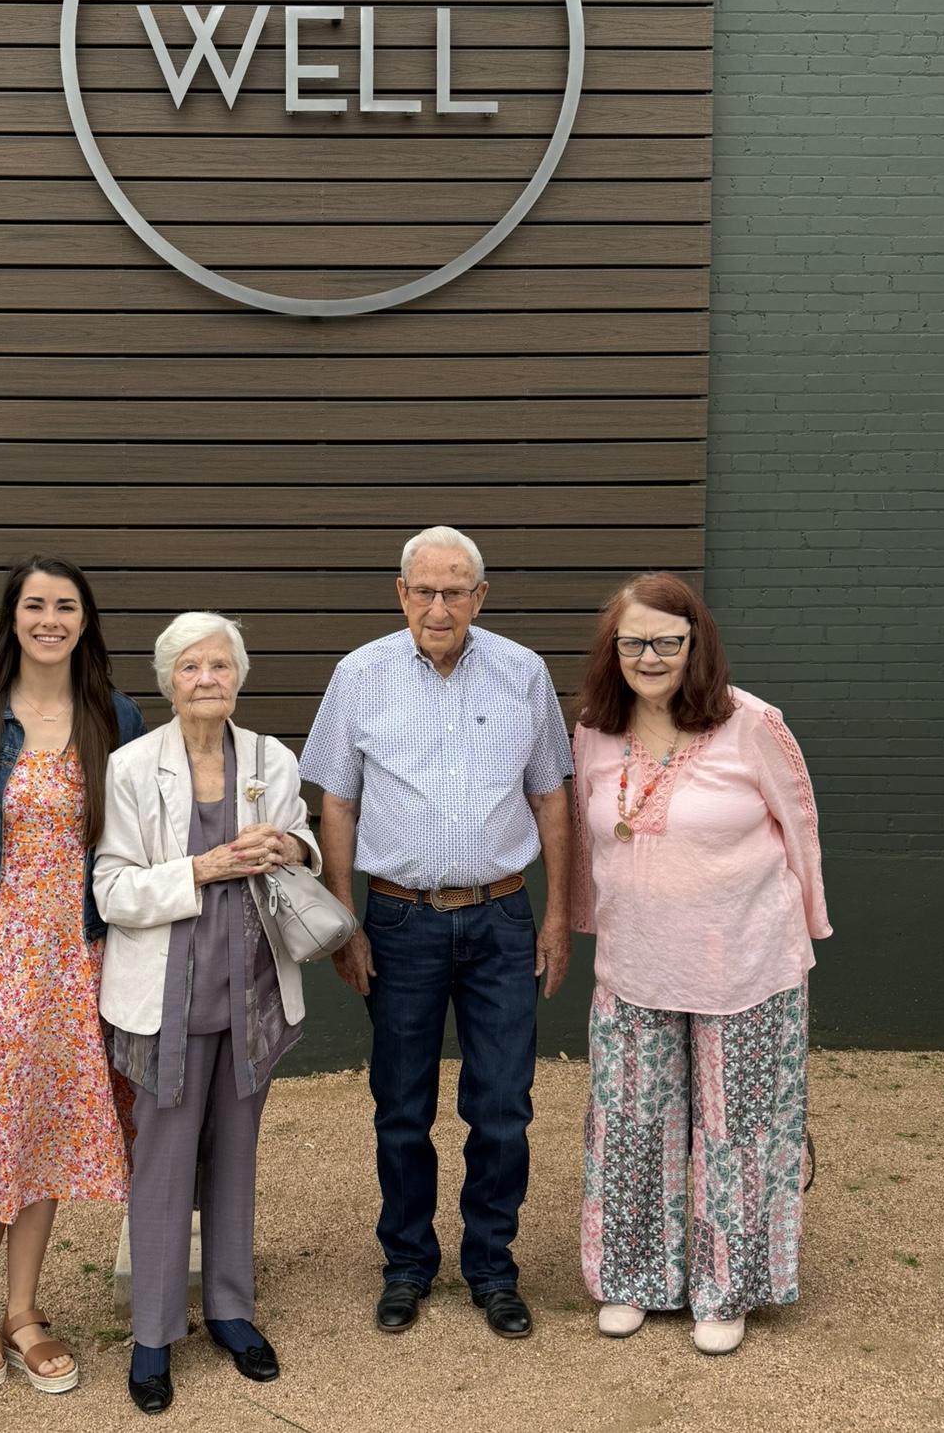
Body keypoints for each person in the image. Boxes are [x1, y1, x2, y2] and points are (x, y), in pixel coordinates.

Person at [299, 526, 573, 1340]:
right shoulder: (360, 674)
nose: (439, 606)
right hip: (398, 920)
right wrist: (344, 922)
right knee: (401, 1105)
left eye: (456, 591)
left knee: (503, 1105)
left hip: (501, 917)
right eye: (424, 590)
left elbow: (551, 797)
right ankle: (408, 1265)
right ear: (401, 593)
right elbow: (337, 803)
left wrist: (559, 916)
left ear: (480, 597)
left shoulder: (523, 672)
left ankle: (492, 1268)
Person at [569, 572, 832, 1355]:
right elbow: (585, 839)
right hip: (634, 966)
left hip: (744, 965)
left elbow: (801, 827)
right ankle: (634, 1279)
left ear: (696, 644)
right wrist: (587, 923)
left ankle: (726, 1289)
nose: (649, 657)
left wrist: (809, 924)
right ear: (613, 649)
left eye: (667, 641)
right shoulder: (594, 731)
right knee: (631, 1128)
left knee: (737, 1133)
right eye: (633, 641)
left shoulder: (752, 724)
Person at [93, 613, 322, 1415]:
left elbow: (303, 844)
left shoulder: (270, 758)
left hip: (252, 990)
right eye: (190, 667)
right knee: (162, 1160)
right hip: (166, 997)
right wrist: (201, 868)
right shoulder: (131, 766)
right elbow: (111, 888)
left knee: (235, 1152)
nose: (206, 679)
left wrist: (290, 849)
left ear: (239, 677)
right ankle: (154, 1335)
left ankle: (230, 1310)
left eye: (220, 665)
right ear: (168, 681)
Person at [0, 556, 145, 1393]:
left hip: (76, 953)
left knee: (48, 1122)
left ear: (85, 621)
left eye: (65, 606)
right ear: (11, 618)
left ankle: (23, 1308)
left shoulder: (114, 715)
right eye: (35, 605)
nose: (50, 619)